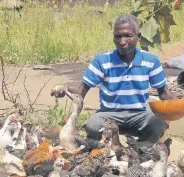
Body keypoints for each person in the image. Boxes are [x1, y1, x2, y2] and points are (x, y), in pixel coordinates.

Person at [50, 14, 177, 144]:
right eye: (118, 36)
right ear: (113, 37)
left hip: (139, 115)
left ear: (138, 37)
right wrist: (65, 89)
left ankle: (141, 149)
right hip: (108, 115)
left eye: (128, 36)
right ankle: (111, 147)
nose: (122, 41)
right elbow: (80, 92)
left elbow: (163, 93)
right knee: (92, 125)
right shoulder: (102, 61)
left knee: (158, 124)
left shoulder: (151, 61)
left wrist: (177, 104)